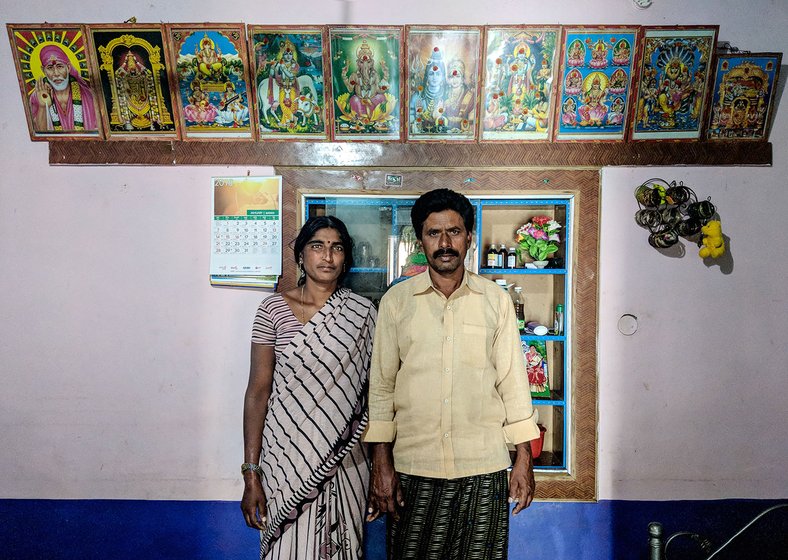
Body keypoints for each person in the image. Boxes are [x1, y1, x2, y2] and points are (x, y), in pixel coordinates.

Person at [364, 188, 540, 560]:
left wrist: (523, 457)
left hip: (484, 466)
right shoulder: (397, 302)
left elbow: (513, 381)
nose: (445, 243)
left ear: (469, 238)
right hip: (414, 468)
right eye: (434, 233)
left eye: (454, 232)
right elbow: (381, 386)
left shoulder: (495, 300)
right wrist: (381, 462)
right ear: (421, 240)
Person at [241, 216, 376, 559]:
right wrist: (251, 472)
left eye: (337, 248)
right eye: (317, 246)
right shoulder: (272, 310)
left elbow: (376, 397)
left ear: (346, 258)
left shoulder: (363, 314)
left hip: (347, 461)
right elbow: (258, 392)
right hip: (286, 462)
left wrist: (380, 470)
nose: (327, 256)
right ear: (301, 255)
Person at [29, 44, 98, 133]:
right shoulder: (37, 96)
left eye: (60, 66)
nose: (56, 73)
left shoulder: (86, 94)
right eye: (50, 68)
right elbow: (41, 133)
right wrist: (43, 106)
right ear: (43, 70)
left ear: (68, 67)